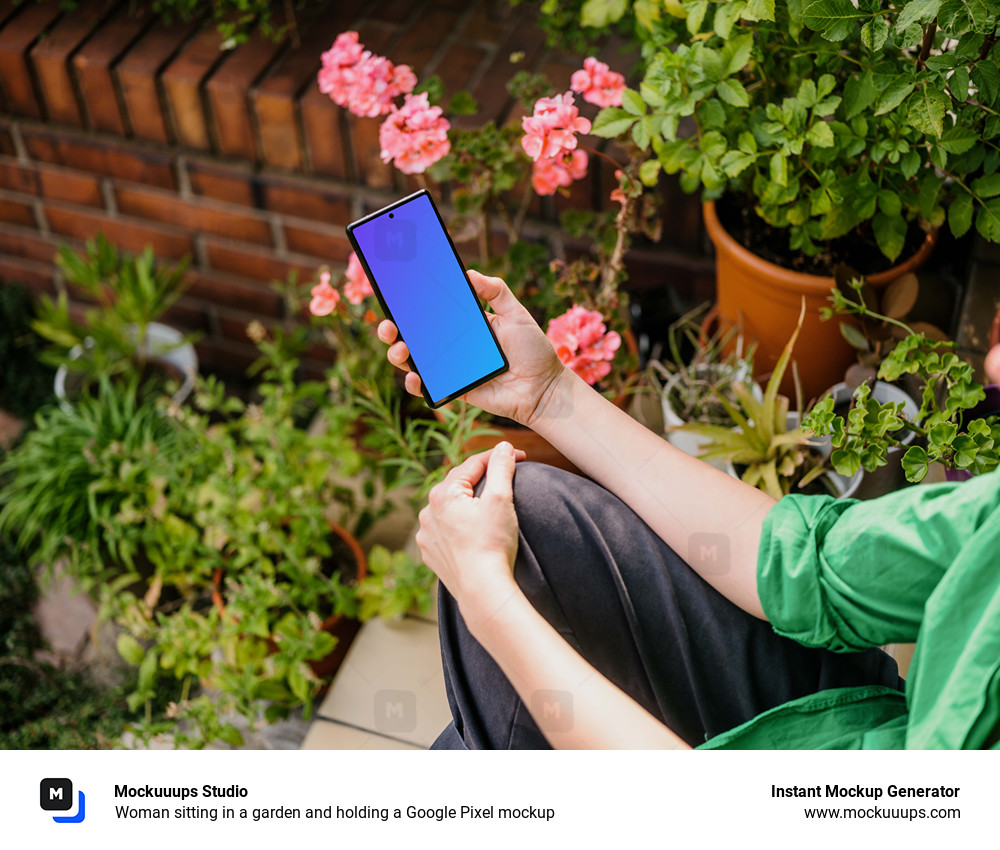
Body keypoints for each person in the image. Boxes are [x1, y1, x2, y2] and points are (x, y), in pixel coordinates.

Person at [377, 271, 1000, 750]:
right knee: (531, 515)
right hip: (855, 726)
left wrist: (485, 594)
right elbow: (806, 563)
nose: (992, 359)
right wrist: (548, 396)